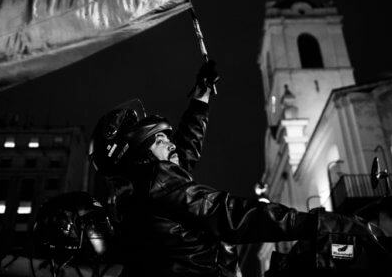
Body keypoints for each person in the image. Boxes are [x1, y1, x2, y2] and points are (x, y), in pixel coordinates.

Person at [90, 60, 318, 277]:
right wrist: (318, 224)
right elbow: (232, 214)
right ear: (140, 158)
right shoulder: (157, 184)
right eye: (160, 140)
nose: (171, 144)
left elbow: (183, 155)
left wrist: (201, 98)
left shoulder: (140, 194)